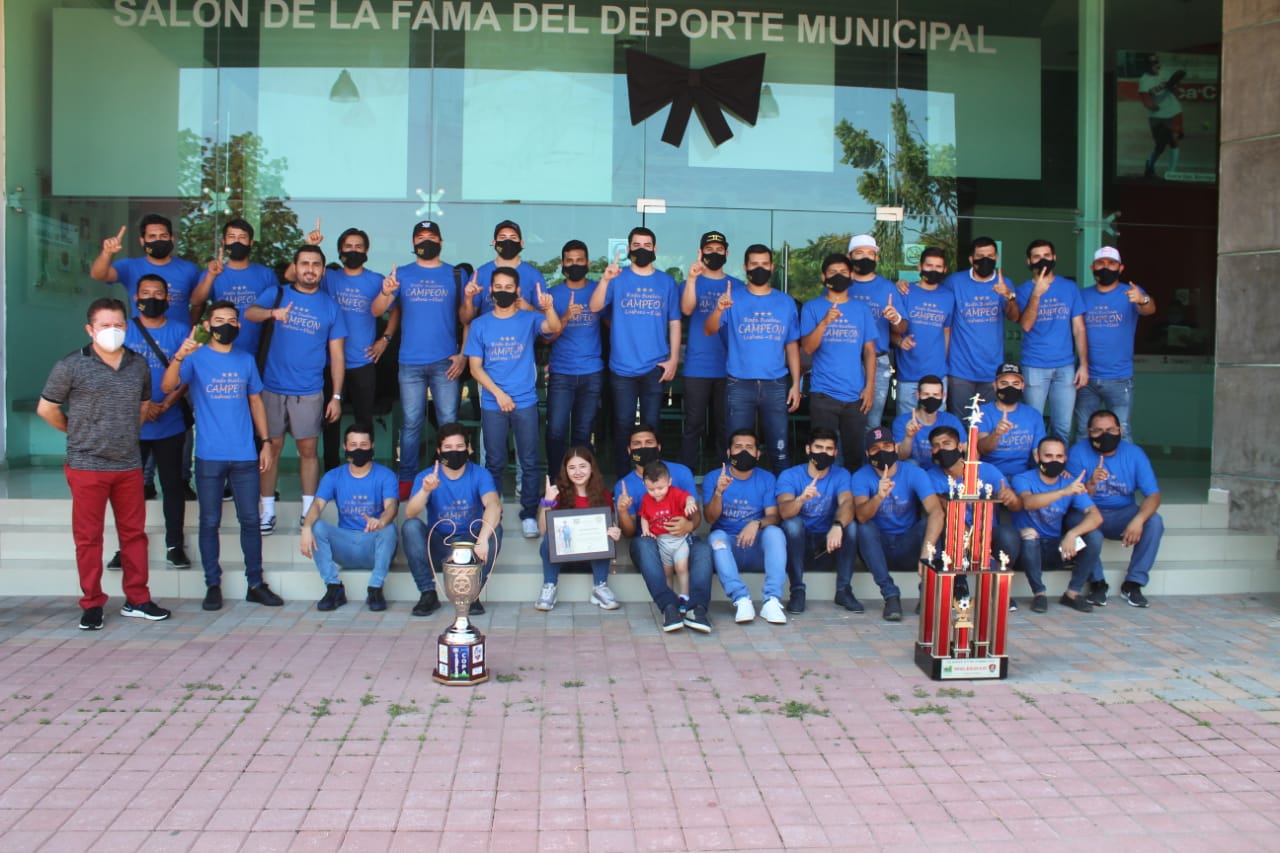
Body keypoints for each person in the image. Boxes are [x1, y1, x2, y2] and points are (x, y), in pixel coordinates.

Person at [38, 298, 173, 629]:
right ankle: (92, 603)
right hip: (87, 466)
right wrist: (76, 432)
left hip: (128, 465)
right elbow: (47, 408)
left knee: (134, 536)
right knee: (89, 538)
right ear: (90, 329)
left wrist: (126, 434)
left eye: (118, 325)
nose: (112, 331)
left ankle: (138, 599)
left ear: (126, 327)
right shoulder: (71, 365)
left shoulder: (138, 364)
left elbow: (143, 405)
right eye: (104, 326)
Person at [164, 301, 281, 611]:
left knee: (250, 521)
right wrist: (180, 355)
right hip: (209, 455)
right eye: (218, 320)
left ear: (239, 326)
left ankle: (255, 583)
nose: (225, 325)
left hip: (244, 454)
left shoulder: (245, 360)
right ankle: (212, 584)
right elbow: (166, 385)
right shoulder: (195, 358)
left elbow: (256, 402)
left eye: (231, 320)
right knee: (209, 521)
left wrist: (266, 442)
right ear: (207, 326)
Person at [246, 245, 347, 534]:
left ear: (323, 270)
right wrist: (272, 313)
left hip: (309, 390)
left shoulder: (329, 305)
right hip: (272, 388)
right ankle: (266, 512)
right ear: (296, 266)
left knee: (308, 450)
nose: (310, 269)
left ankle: (308, 513)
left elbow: (337, 355)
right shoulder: (277, 293)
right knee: (271, 449)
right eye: (305, 263)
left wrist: (336, 396)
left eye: (316, 264)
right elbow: (250, 313)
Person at [463, 267, 561, 539]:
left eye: (509, 287)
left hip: (525, 400)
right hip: (494, 402)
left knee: (529, 461)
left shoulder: (529, 319)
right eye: (498, 286)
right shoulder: (481, 324)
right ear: (491, 290)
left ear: (518, 291)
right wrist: (499, 394)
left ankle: (529, 514)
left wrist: (549, 308)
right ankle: (494, 514)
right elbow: (475, 368)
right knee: (493, 462)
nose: (503, 291)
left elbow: (553, 328)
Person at [371, 220, 465, 498]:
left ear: (441, 242)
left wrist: (463, 354)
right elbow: (378, 311)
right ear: (413, 244)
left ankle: (450, 476)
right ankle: (407, 480)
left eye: (432, 236)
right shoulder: (403, 274)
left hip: (445, 362)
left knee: (449, 421)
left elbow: (467, 319)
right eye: (420, 237)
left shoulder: (455, 275)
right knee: (411, 423)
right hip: (410, 362)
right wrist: (386, 291)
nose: (426, 241)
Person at [589, 227, 681, 476]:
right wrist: (606, 279)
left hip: (655, 366)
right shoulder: (617, 278)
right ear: (629, 248)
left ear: (655, 249)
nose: (642, 249)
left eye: (647, 244)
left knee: (652, 427)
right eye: (636, 244)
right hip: (622, 367)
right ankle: (623, 480)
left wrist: (673, 359)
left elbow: (674, 322)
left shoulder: (666, 282)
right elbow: (595, 306)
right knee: (623, 426)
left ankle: (653, 478)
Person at [704, 244, 801, 472]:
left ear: (772, 267)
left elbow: (792, 346)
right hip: (740, 384)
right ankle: (732, 494)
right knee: (737, 448)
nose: (760, 268)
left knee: (780, 447)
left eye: (765, 264)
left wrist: (796, 384)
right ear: (745, 267)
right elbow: (708, 330)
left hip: (776, 384)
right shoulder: (732, 299)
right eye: (754, 264)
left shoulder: (786, 302)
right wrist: (718, 309)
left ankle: (782, 498)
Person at [615, 424, 714, 633]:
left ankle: (697, 609)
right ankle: (669, 607)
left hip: (682, 538)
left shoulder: (680, 472)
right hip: (650, 541)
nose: (643, 448)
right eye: (637, 444)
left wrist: (689, 524)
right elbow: (629, 532)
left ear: (659, 446)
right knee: (642, 544)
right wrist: (623, 511)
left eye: (649, 443)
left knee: (704, 549)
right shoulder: (624, 484)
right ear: (629, 451)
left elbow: (695, 513)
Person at [122, 274, 191, 570]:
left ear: (167, 299)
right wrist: (143, 405)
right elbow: (114, 374)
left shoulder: (180, 330)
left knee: (172, 486)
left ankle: (174, 544)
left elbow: (188, 375)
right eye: (145, 292)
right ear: (136, 298)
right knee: (129, 489)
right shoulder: (123, 330)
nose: (152, 297)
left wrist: (164, 404)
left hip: (170, 423)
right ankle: (126, 547)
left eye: (158, 293)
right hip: (131, 425)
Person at [317, 227, 399, 471]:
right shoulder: (328, 278)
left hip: (362, 362)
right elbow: (298, 275)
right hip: (330, 363)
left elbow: (394, 311)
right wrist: (311, 244)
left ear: (366, 251)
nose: (353, 251)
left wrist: (384, 340)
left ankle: (364, 470)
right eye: (349, 247)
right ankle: (331, 472)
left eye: (358, 247)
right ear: (340, 250)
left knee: (364, 420)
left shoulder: (375, 280)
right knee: (330, 420)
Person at [401, 423, 503, 617]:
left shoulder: (480, 474)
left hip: (471, 545)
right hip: (439, 544)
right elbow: (410, 513)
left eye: (459, 447)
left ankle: (472, 594)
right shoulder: (426, 476)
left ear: (468, 449)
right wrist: (425, 490)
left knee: (495, 530)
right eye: (448, 448)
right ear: (439, 451)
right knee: (410, 526)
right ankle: (427, 593)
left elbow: (493, 505)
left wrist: (482, 540)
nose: (454, 452)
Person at [1068, 410, 1164, 608]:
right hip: (1091, 511)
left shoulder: (1134, 453)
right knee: (1074, 519)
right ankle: (1097, 583)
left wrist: (1137, 520)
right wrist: (1092, 483)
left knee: (1154, 521)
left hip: (1123, 513)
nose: (1105, 435)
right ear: (1089, 432)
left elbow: (1153, 495)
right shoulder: (1078, 452)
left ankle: (1134, 583)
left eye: (1111, 430)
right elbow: (1074, 497)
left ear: (1120, 430)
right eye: (1098, 431)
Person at [299, 423, 400, 612]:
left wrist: (381, 521)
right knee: (316, 526)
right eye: (353, 444)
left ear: (372, 446)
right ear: (344, 448)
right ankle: (333, 587)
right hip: (345, 545)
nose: (359, 449)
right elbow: (317, 505)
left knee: (389, 528)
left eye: (363, 444)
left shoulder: (386, 475)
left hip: (373, 544)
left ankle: (375, 587)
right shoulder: (333, 476)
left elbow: (392, 506)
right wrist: (306, 528)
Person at [851, 427, 944, 621]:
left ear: (895, 447)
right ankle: (890, 595)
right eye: (875, 448)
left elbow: (936, 511)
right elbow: (861, 516)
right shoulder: (861, 476)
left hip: (907, 543)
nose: (882, 451)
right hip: (879, 547)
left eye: (887, 446)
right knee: (863, 528)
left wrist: (926, 553)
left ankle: (927, 591)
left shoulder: (914, 473)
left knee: (932, 524)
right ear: (868, 453)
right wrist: (878, 497)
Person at [926, 425, 1023, 608]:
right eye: (936, 446)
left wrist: (1010, 497)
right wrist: (969, 534)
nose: (941, 449)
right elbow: (941, 508)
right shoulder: (930, 476)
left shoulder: (986, 471)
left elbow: (1017, 506)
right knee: (949, 527)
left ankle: (999, 586)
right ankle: (959, 585)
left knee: (1008, 534)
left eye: (947, 443)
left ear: (960, 446)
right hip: (956, 536)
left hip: (987, 534)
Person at [799, 253, 878, 469]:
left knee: (854, 456)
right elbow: (807, 348)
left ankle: (851, 500)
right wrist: (824, 322)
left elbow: (870, 351)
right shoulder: (812, 308)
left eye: (843, 272)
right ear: (824, 277)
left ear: (851, 275)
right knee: (823, 456)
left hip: (856, 395)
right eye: (833, 272)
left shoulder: (861, 309)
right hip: (824, 394)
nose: (839, 276)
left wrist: (870, 387)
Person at [702, 429, 788, 626]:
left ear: (758, 454)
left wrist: (756, 523)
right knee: (716, 537)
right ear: (729, 452)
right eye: (738, 447)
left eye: (749, 448)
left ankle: (772, 600)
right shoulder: (714, 477)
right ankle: (741, 599)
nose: (744, 452)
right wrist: (719, 492)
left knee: (775, 532)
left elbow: (774, 517)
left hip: (756, 546)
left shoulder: (767, 478)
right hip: (728, 549)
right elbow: (709, 518)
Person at [1011, 436, 1104, 613]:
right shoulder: (1022, 478)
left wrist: (1072, 534)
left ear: (1065, 458)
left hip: (1057, 547)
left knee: (1094, 536)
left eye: (1059, 456)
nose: (1054, 461)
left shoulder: (1070, 482)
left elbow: (1096, 516)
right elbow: (1028, 503)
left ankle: (1072, 594)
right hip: (1026, 551)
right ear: (1037, 457)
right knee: (1030, 535)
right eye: (1049, 456)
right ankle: (1039, 594)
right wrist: (1063, 492)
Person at [1076, 247, 1156, 439]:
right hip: (1086, 378)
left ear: (1120, 268)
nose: (1106, 267)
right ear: (1092, 267)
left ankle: (1123, 470)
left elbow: (1149, 309)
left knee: (1122, 431)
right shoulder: (1082, 295)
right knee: (1083, 431)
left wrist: (1142, 298)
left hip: (1119, 377)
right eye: (1101, 263)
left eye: (1111, 263)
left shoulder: (1130, 293)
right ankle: (1084, 469)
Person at [775, 428, 857, 614]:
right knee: (792, 525)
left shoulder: (841, 474)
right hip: (798, 545)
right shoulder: (790, 475)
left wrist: (837, 526)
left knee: (850, 526)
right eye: (818, 447)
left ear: (836, 453)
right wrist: (801, 499)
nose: (823, 453)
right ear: (808, 449)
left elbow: (848, 503)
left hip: (827, 545)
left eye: (829, 449)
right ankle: (797, 591)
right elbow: (784, 512)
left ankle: (843, 590)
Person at [679, 230, 740, 470]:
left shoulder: (738, 286)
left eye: (719, 250)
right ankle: (688, 477)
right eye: (709, 249)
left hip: (729, 367)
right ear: (700, 252)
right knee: (693, 425)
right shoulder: (690, 282)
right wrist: (692, 279)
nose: (714, 253)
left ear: (727, 253)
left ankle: (725, 476)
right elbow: (686, 310)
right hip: (697, 366)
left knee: (725, 425)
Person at [1016, 239, 1087, 441]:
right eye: (1037, 256)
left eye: (1046, 255)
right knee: (1034, 426)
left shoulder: (1069, 288)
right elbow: (1026, 325)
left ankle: (1058, 470)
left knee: (1062, 427)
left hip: (1065, 366)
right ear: (1029, 261)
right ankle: (1034, 470)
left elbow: (1079, 329)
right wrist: (1037, 294)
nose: (1042, 260)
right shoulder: (1022, 290)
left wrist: (1083, 365)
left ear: (1054, 258)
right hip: (1034, 366)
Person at [534, 446, 622, 612]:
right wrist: (546, 503)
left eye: (582, 466)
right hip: (562, 557)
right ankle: (549, 586)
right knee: (549, 538)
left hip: (592, 558)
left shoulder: (602, 494)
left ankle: (600, 587)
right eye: (572, 468)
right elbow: (543, 530)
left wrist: (614, 531)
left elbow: (611, 525)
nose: (578, 472)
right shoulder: (557, 493)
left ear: (591, 468)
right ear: (565, 471)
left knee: (606, 535)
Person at [544, 240, 605, 475]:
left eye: (580, 260)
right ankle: (556, 483)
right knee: (556, 431)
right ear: (562, 264)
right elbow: (547, 338)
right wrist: (566, 317)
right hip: (562, 372)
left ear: (588, 263)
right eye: (569, 260)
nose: (575, 264)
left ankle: (582, 485)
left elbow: (612, 322)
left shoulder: (598, 290)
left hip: (592, 372)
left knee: (583, 432)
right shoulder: (554, 294)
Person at [944, 237, 1021, 417]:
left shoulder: (1004, 283)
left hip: (991, 369)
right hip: (960, 369)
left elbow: (1015, 317)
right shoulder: (954, 282)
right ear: (971, 259)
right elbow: (935, 298)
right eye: (980, 256)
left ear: (997, 258)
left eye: (990, 255)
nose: (986, 259)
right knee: (962, 422)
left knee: (986, 423)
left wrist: (1009, 296)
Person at [189, 218, 282, 358]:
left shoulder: (266, 274)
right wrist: (211, 275)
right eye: (231, 237)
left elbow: (276, 312)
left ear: (251, 243)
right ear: (224, 242)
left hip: (258, 351)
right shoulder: (213, 273)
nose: (236, 242)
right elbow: (195, 301)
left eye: (242, 238)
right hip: (220, 350)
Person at [90, 213, 200, 326]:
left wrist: (188, 327)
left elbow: (199, 303)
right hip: (140, 337)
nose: (158, 240)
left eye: (163, 236)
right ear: (142, 241)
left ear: (171, 238)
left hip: (179, 340)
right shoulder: (130, 267)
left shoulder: (189, 269)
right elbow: (98, 275)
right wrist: (107, 253)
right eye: (152, 236)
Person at [845, 234, 907, 428]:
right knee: (842, 422)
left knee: (872, 423)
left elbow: (903, 327)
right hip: (845, 361)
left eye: (870, 253)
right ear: (849, 256)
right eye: (859, 252)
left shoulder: (888, 288)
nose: (865, 257)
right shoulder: (840, 284)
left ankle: (867, 460)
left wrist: (894, 317)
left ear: (877, 258)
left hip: (879, 362)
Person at [894, 247, 954, 414]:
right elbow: (891, 329)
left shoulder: (948, 296)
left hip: (937, 376)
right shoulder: (904, 292)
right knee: (906, 427)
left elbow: (946, 331)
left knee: (936, 429)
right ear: (919, 267)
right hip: (908, 375)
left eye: (938, 266)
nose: (933, 270)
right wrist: (899, 341)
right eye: (929, 265)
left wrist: (945, 366)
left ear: (945, 270)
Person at [636, 461, 697, 605]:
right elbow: (644, 516)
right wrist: (646, 531)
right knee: (667, 572)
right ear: (645, 485)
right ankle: (670, 598)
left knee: (681, 568)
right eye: (651, 489)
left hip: (680, 538)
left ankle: (684, 595)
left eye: (660, 488)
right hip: (661, 541)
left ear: (669, 482)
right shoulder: (646, 499)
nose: (656, 492)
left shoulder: (675, 494)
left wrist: (689, 503)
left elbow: (689, 497)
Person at [460, 219, 546, 320]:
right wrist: (468, 299)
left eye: (513, 238)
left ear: (521, 243)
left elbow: (548, 322)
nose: (507, 241)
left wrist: (529, 308)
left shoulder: (534, 275)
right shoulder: (480, 274)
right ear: (494, 243)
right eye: (502, 237)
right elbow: (466, 320)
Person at [977, 363, 1045, 481]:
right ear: (995, 385)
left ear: (1022, 387)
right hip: (989, 475)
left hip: (1023, 476)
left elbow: (1039, 452)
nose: (1010, 388)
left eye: (1015, 384)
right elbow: (982, 449)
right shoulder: (982, 412)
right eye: (1004, 383)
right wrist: (996, 434)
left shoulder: (1033, 415)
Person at [892, 375, 965, 470]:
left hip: (943, 470)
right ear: (918, 395)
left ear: (943, 396)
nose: (931, 398)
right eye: (926, 394)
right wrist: (909, 436)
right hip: (915, 472)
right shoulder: (902, 421)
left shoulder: (951, 420)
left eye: (935, 395)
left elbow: (968, 450)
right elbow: (901, 457)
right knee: (911, 463)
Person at [1139, 53, 1184, 179]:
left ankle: (1172, 173)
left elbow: (1177, 93)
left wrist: (1173, 88)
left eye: (1156, 62)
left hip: (1174, 111)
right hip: (1157, 116)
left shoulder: (1166, 73)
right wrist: (1151, 106)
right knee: (1160, 146)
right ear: (1146, 65)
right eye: (1151, 62)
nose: (1154, 64)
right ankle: (1149, 165)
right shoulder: (1144, 80)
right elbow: (1145, 99)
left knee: (1174, 140)